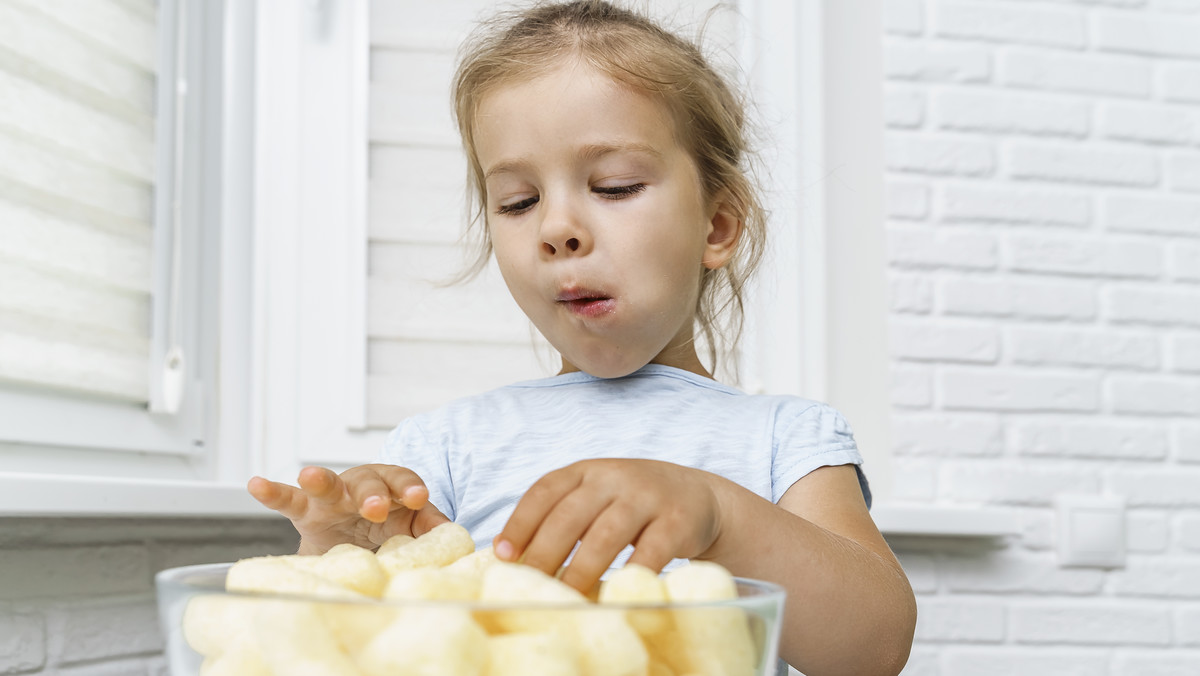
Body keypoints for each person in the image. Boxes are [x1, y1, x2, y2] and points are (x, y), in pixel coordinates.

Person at [248, 2, 916, 674]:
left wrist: (721, 515)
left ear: (717, 225)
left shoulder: (787, 443)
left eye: (614, 186)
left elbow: (874, 651)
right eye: (517, 201)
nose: (556, 227)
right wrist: (344, 561)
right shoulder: (439, 455)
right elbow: (359, 653)